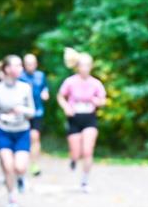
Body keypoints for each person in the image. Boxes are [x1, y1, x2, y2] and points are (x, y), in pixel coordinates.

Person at [0, 54, 35, 207]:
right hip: (3, 131)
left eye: (21, 65)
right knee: (7, 166)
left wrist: (22, 110)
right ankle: (12, 197)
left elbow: (32, 112)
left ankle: (21, 178)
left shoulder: (25, 88)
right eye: (17, 65)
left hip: (22, 131)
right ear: (6, 69)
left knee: (20, 167)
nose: (20, 68)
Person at [57, 48, 106, 193]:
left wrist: (98, 101)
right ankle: (73, 159)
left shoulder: (96, 83)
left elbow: (103, 100)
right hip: (74, 118)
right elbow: (60, 96)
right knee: (76, 152)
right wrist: (66, 107)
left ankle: (84, 181)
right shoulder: (70, 82)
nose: (85, 68)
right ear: (77, 67)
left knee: (87, 151)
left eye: (87, 65)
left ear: (91, 67)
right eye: (82, 65)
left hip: (89, 118)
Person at [21, 53, 50, 176]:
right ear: (24, 65)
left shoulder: (41, 75)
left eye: (32, 64)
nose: (30, 66)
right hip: (22, 113)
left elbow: (45, 88)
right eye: (28, 64)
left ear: (36, 64)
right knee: (24, 139)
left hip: (37, 112)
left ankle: (34, 164)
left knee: (35, 137)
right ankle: (21, 165)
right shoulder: (19, 76)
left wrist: (45, 93)